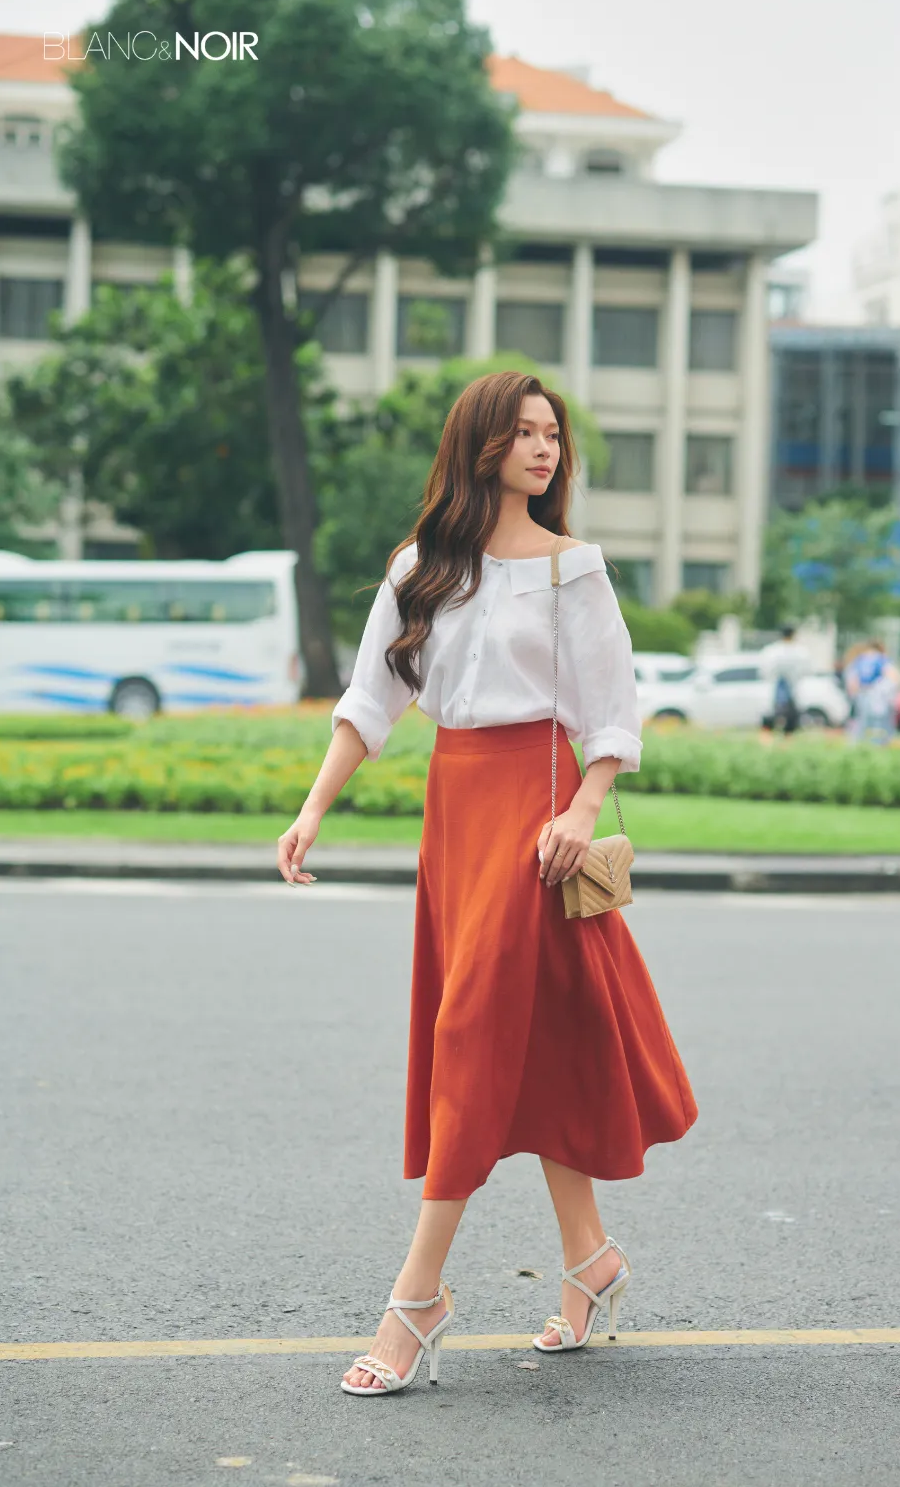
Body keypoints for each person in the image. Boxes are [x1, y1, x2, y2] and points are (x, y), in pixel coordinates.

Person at [276, 371, 698, 1396]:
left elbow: (611, 713)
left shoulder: (572, 570)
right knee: (534, 1037)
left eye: (553, 435)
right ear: (482, 446)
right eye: (525, 433)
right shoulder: (421, 568)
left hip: (537, 820)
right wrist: (313, 807)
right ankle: (591, 1261)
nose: (545, 449)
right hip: (454, 813)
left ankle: (417, 1298)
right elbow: (369, 700)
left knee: (469, 1035)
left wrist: (581, 811)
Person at [845, 638, 898, 745]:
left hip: (862, 698)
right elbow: (894, 677)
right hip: (878, 702)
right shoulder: (881, 660)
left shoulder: (859, 660)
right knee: (879, 731)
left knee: (860, 730)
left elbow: (852, 684)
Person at [759, 624, 810, 734]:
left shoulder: (771, 651)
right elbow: (806, 670)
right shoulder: (800, 652)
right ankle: (786, 743)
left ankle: (767, 743)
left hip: (776, 690)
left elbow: (764, 670)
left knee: (770, 718)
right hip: (791, 689)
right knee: (791, 719)